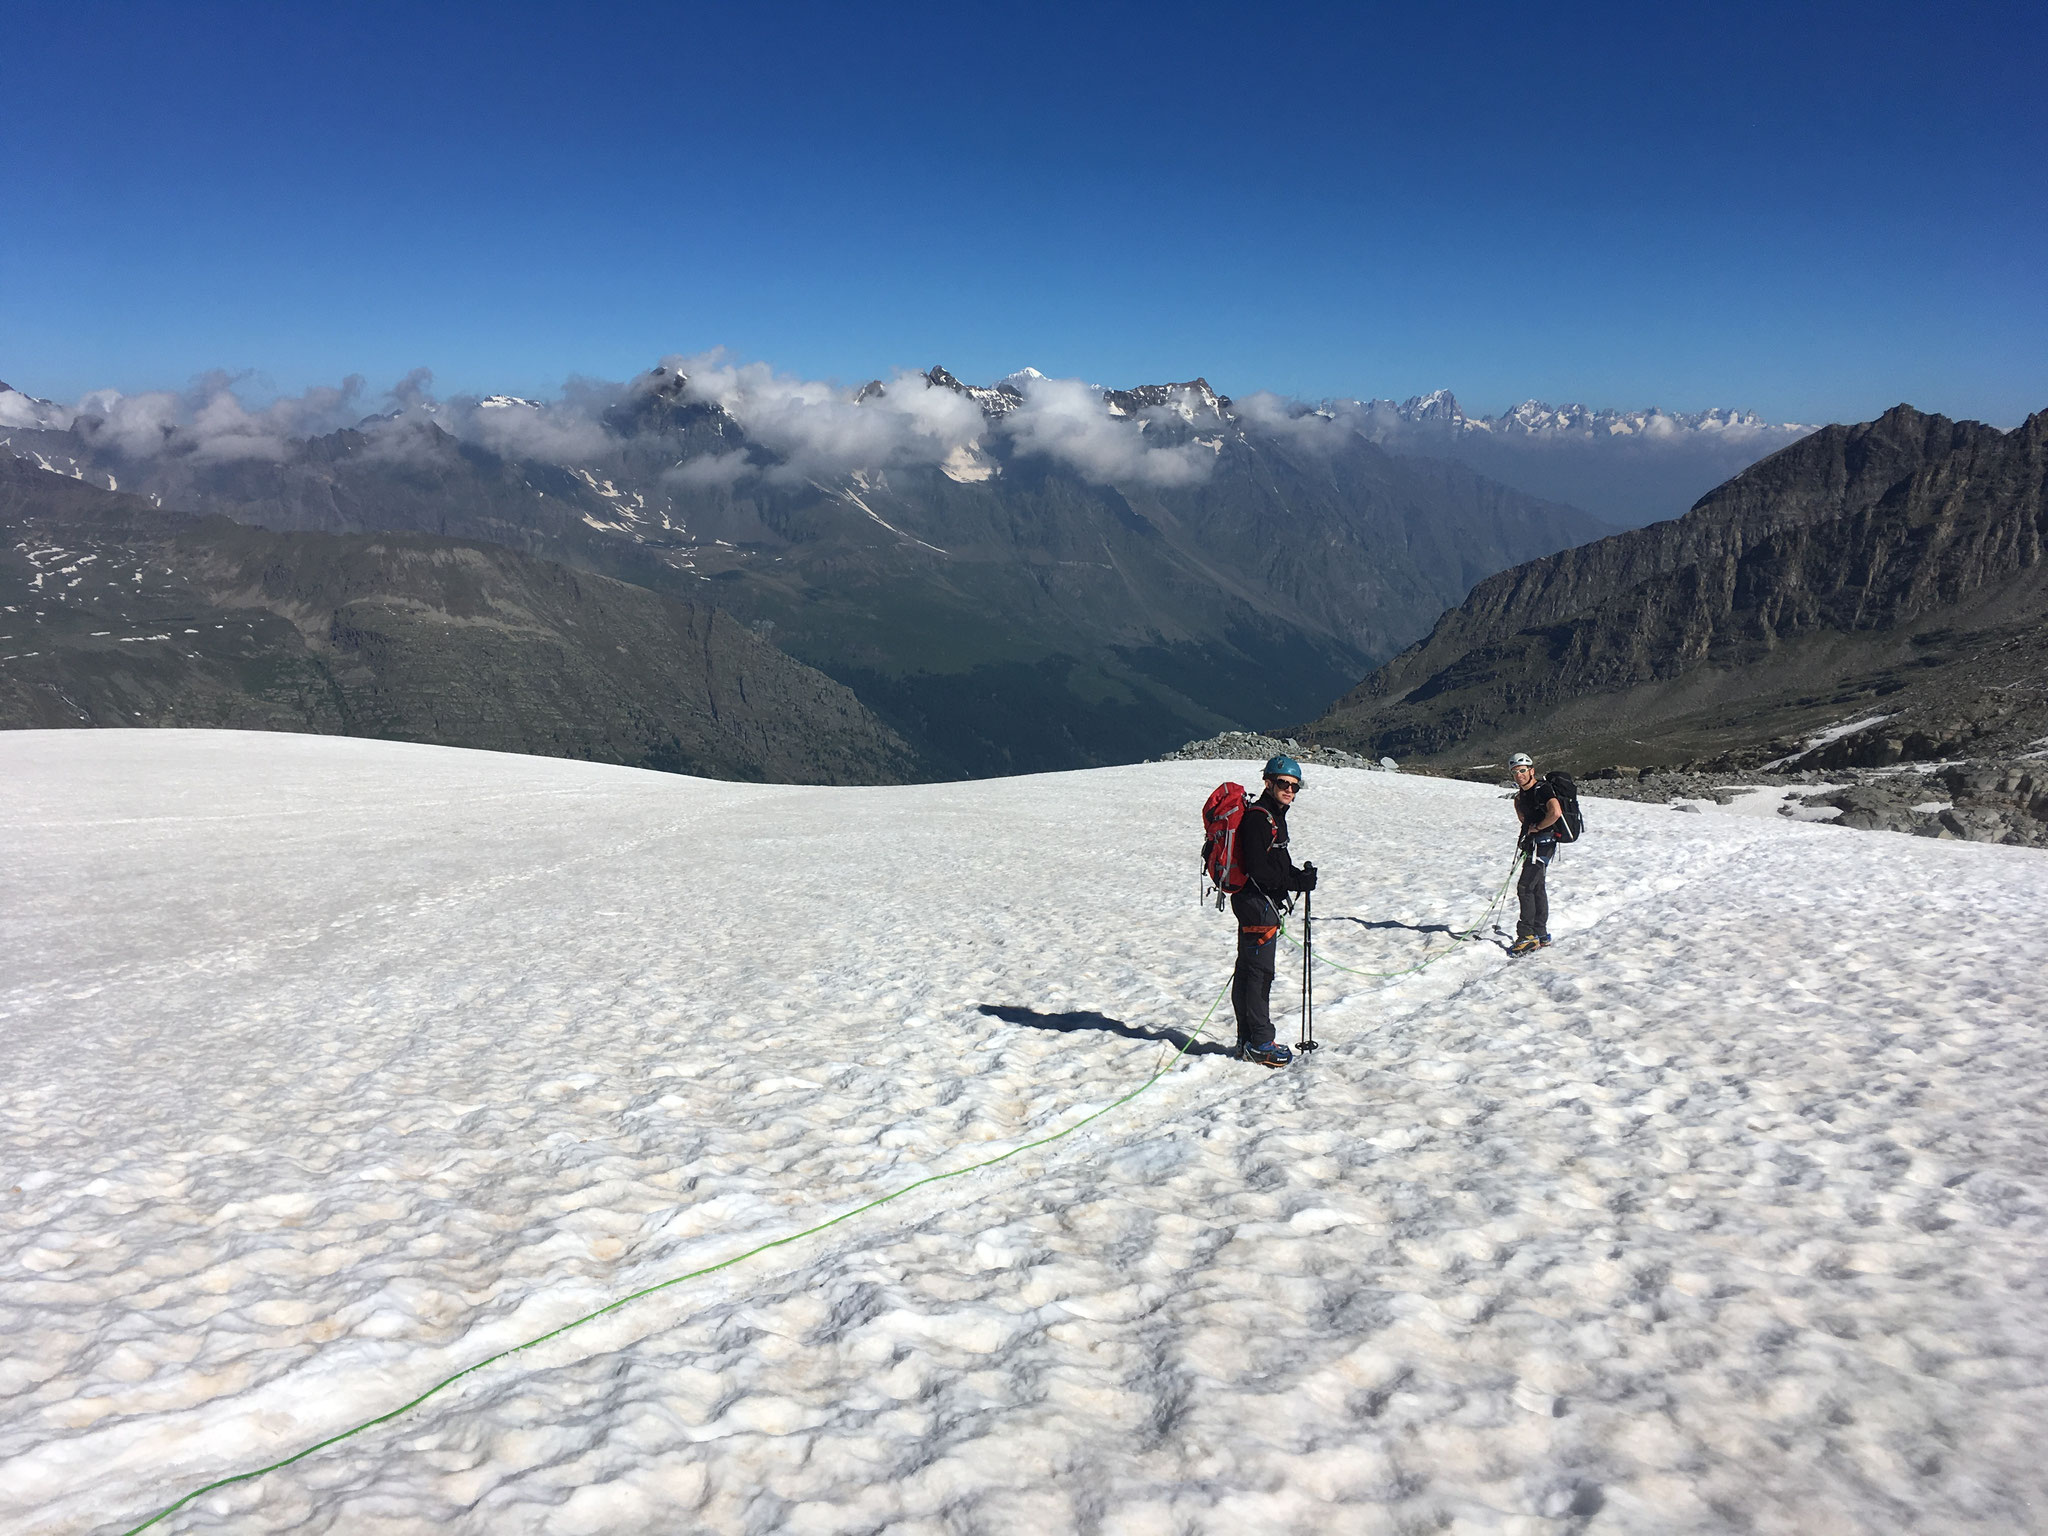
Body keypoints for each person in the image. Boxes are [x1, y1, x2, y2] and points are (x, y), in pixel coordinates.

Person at [1230, 755, 1318, 1066]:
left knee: (1248, 972)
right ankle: (1260, 1043)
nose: (1290, 790)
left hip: (1255, 902)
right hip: (1257, 904)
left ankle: (1247, 1039)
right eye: (1284, 783)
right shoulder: (1260, 818)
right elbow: (1260, 870)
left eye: (1296, 786)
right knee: (1259, 974)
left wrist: (1297, 877)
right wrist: (1296, 882)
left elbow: (1274, 864)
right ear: (1268, 782)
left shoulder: (1274, 814)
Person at [1508, 752, 1561, 956]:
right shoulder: (1520, 797)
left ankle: (1527, 936)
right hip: (1536, 844)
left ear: (1532, 771)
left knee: (1525, 886)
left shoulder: (1543, 789)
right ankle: (1541, 932)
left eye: (1522, 770)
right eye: (1515, 772)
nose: (1519, 775)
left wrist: (1538, 827)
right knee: (1537, 886)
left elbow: (1556, 813)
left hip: (1544, 842)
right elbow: (1523, 819)